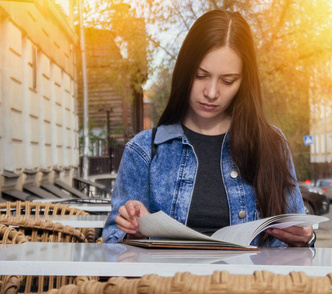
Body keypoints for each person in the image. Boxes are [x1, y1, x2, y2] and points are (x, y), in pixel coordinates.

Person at [103, 9, 314, 247]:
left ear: (244, 82)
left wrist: (305, 238)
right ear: (185, 72)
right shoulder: (143, 150)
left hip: (251, 284)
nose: (211, 93)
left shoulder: (272, 144)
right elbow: (112, 245)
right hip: (167, 284)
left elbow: (298, 242)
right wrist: (133, 232)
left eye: (227, 81)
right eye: (201, 75)